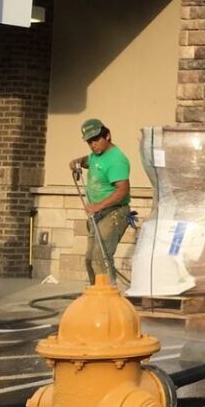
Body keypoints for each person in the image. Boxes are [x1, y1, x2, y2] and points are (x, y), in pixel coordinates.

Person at [68, 118, 131, 284]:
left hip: (114, 213)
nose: (93, 144)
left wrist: (98, 206)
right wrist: (78, 162)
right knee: (90, 259)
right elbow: (90, 161)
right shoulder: (96, 155)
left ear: (107, 136)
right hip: (98, 215)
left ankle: (108, 298)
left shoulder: (116, 160)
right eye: (89, 141)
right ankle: (95, 295)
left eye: (96, 139)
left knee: (100, 257)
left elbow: (123, 190)